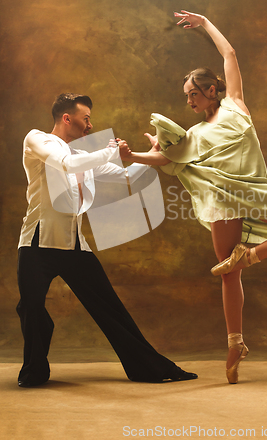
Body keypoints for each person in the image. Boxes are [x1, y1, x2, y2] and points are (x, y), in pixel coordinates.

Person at [119, 10, 267, 385]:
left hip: (257, 192)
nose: (189, 102)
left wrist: (205, 24)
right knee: (227, 273)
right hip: (222, 203)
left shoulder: (235, 105)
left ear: (211, 90)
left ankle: (249, 255)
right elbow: (167, 158)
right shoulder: (193, 135)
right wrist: (133, 156)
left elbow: (229, 55)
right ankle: (235, 345)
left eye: (193, 94)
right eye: (186, 97)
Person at [16, 92, 198, 387]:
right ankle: (34, 371)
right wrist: (110, 150)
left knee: (111, 309)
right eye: (85, 119)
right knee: (32, 307)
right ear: (67, 118)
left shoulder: (82, 156)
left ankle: (149, 368)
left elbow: (127, 178)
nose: (90, 125)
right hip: (37, 244)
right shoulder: (38, 140)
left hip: (74, 246)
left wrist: (154, 154)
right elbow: (64, 163)